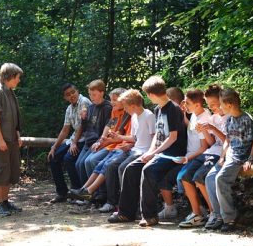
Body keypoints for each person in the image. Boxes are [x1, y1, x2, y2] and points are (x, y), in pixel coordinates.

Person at [205, 88, 253, 232]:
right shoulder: (229, 119)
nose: (220, 107)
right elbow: (227, 141)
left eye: (221, 104)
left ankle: (229, 218)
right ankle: (218, 215)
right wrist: (222, 156)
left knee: (220, 179)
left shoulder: (246, 119)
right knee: (210, 178)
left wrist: (250, 159)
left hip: (239, 157)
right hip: (228, 156)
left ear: (229, 104)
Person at [138, 76, 187, 227]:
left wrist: (154, 153)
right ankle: (143, 213)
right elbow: (159, 136)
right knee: (138, 168)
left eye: (147, 95)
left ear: (152, 94)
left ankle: (150, 216)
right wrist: (150, 152)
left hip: (174, 153)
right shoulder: (158, 109)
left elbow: (173, 137)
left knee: (148, 170)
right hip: (162, 152)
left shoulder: (173, 109)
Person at [70, 88, 131, 202]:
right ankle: (89, 192)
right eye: (111, 99)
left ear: (123, 100)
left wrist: (105, 141)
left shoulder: (127, 113)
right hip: (110, 143)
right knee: (88, 161)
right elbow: (109, 125)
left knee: (92, 160)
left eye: (115, 100)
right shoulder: (114, 110)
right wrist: (102, 139)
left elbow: (120, 134)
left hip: (116, 145)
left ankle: (100, 194)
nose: (112, 102)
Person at [104, 89, 156, 219]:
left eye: (126, 106)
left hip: (143, 152)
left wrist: (151, 153)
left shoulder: (149, 116)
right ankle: (120, 203)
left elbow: (154, 137)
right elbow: (134, 138)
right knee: (111, 166)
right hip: (133, 149)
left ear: (133, 105)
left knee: (124, 168)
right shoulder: (134, 116)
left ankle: (129, 209)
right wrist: (119, 136)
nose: (125, 109)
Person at [0, 63, 24, 217]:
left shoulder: (10, 92)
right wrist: (0, 140)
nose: (18, 80)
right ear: (10, 77)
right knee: (1, 170)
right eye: (17, 77)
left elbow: (14, 118)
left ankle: (6, 201)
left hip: (11, 138)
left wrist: (17, 135)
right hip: (0, 139)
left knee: (10, 170)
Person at [171, 89, 212, 227]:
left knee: (184, 176)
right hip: (192, 155)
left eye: (187, 103)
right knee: (182, 176)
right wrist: (184, 114)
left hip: (199, 155)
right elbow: (191, 127)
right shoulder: (195, 114)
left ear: (198, 104)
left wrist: (187, 158)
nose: (185, 105)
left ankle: (200, 213)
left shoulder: (203, 118)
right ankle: (198, 211)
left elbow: (204, 147)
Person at [47, 83, 91, 203]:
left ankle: (77, 191)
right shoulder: (69, 108)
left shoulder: (84, 101)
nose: (71, 96)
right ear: (65, 98)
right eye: (68, 95)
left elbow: (83, 125)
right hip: (74, 140)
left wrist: (74, 143)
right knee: (53, 157)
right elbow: (65, 130)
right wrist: (54, 147)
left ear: (77, 91)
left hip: (86, 139)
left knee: (69, 158)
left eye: (73, 92)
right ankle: (62, 193)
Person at [74, 79, 112, 186]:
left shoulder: (107, 107)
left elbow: (108, 127)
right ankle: (84, 192)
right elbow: (86, 127)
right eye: (90, 94)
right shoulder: (90, 107)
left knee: (86, 163)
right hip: (88, 141)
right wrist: (84, 118)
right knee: (78, 164)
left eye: (94, 94)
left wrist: (100, 141)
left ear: (102, 92)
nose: (91, 97)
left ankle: (93, 193)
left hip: (98, 141)